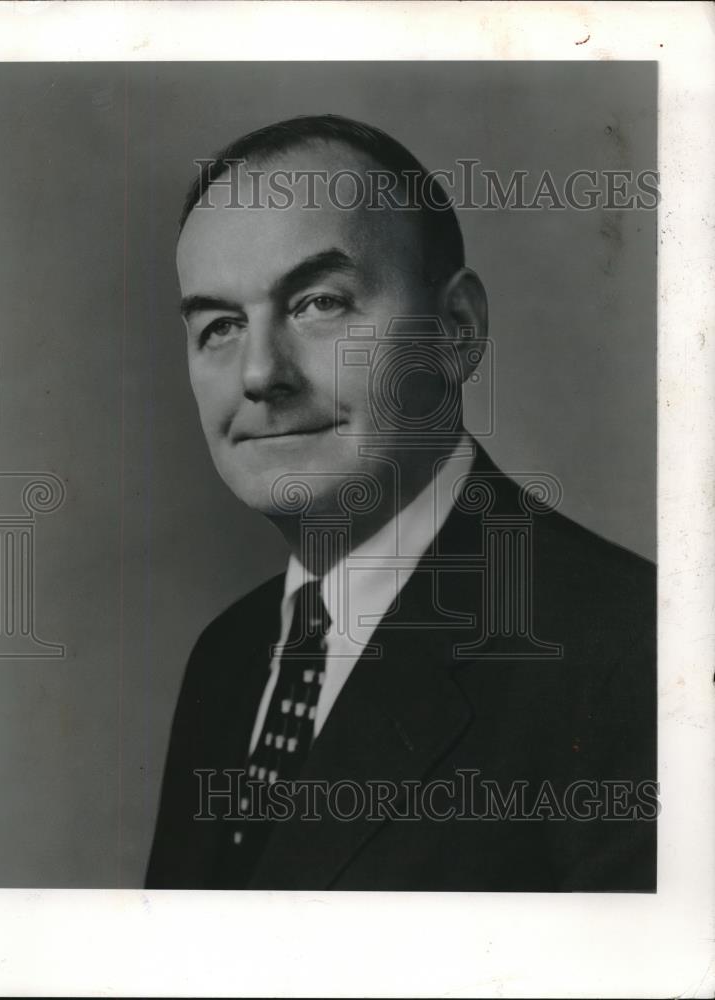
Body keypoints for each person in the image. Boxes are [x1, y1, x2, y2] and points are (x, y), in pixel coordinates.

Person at [145, 114, 656, 891]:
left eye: (318, 302)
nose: (258, 374)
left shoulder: (632, 655)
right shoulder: (229, 653)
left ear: (455, 329)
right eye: (219, 326)